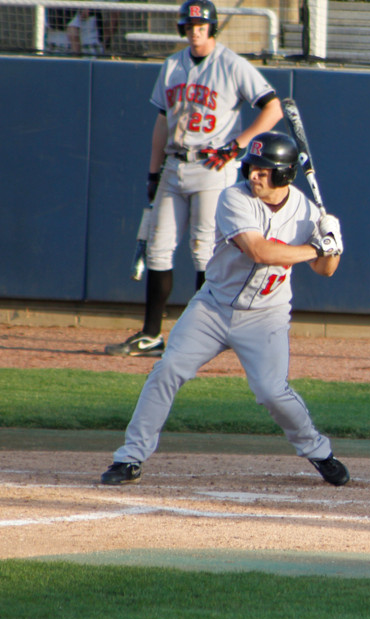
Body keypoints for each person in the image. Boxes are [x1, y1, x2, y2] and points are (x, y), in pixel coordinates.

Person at [100, 131, 348, 487]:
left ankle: (319, 452)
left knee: (271, 391)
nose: (255, 175)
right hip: (213, 307)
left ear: (284, 175)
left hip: (267, 316)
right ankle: (130, 458)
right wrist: (317, 248)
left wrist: (332, 244)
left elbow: (326, 271)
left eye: (265, 170)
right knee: (167, 368)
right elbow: (259, 251)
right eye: (252, 167)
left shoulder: (307, 213)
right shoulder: (234, 197)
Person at [105, 0, 283, 357]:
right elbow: (161, 122)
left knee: (204, 251)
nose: (195, 31)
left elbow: (273, 107)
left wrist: (237, 146)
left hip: (213, 166)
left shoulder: (231, 64)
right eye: (189, 26)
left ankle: (205, 334)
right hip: (175, 164)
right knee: (158, 248)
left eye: (200, 26)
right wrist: (153, 172)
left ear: (212, 28)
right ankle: (151, 334)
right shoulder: (172, 65)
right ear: (182, 29)